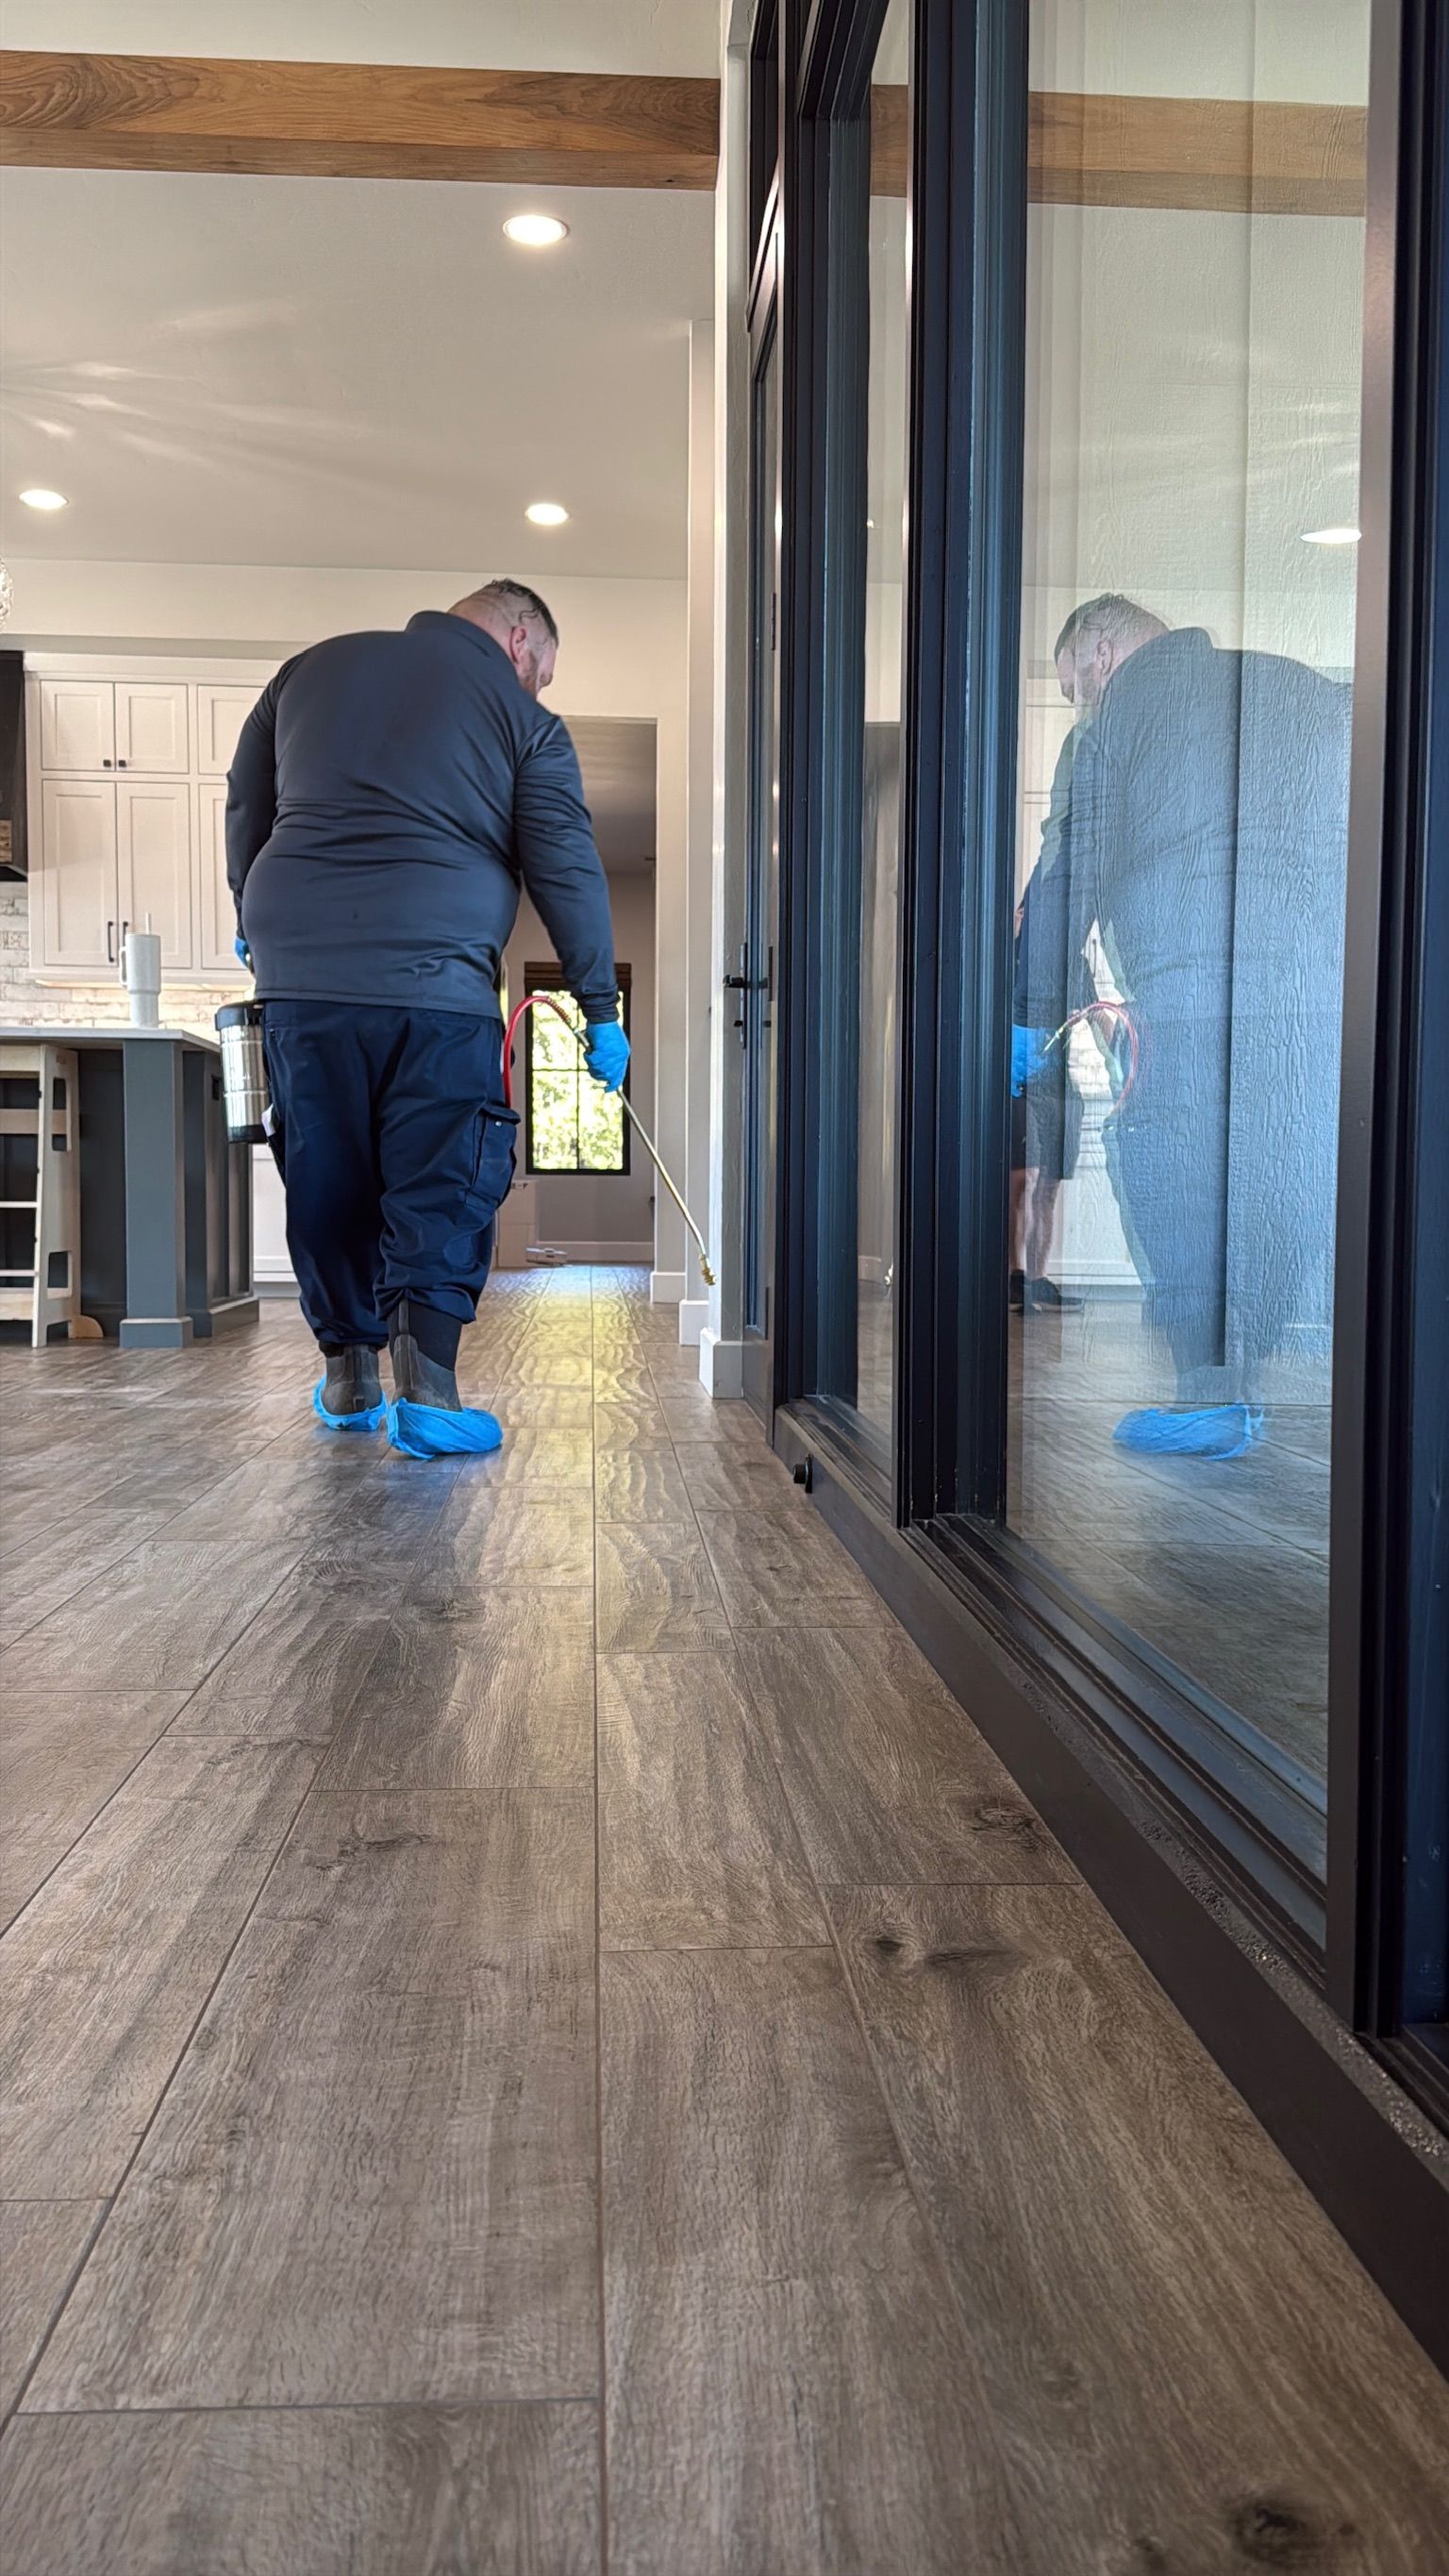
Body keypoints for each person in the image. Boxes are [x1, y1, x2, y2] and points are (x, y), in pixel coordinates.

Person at [225, 578, 628, 1457]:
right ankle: (428, 1390)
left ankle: (349, 1374)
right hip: (438, 984)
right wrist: (599, 1009)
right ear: (522, 640)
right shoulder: (523, 721)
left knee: (324, 1167)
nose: (538, 690)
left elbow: (247, 807)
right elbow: (566, 866)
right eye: (543, 673)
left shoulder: (305, 671)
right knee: (442, 1173)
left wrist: (251, 918)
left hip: (303, 974)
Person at [1015, 593, 1351, 1458]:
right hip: (1316, 996)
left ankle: (1210, 1389)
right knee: (1285, 1172)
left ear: (1098, 653)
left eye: (1073, 687)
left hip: (1190, 995)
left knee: (1173, 1169)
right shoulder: (1302, 689)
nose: (1079, 702)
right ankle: (1251, 1375)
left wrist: (1027, 1014)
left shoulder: (1113, 722)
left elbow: (1067, 874)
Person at [1009, 725, 1085, 1316]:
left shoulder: (1069, 960)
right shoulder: (1003, 961)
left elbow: (1099, 1021)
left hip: (1057, 1083)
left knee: (1048, 1186)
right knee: (1022, 1180)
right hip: (1014, 1083)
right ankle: (1012, 1277)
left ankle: (1037, 1280)